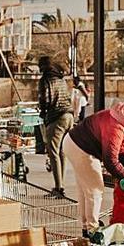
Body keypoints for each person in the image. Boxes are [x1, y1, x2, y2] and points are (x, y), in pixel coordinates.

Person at [62, 102, 124, 232]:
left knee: (85, 189)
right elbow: (111, 161)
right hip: (82, 148)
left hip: (73, 142)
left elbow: (121, 150)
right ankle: (92, 229)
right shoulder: (116, 128)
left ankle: (86, 226)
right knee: (95, 189)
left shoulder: (121, 117)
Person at [37, 56, 74, 197]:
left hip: (57, 118)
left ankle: (59, 188)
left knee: (53, 152)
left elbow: (45, 99)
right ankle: (61, 184)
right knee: (62, 152)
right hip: (69, 116)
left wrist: (43, 112)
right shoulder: (61, 78)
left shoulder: (45, 80)